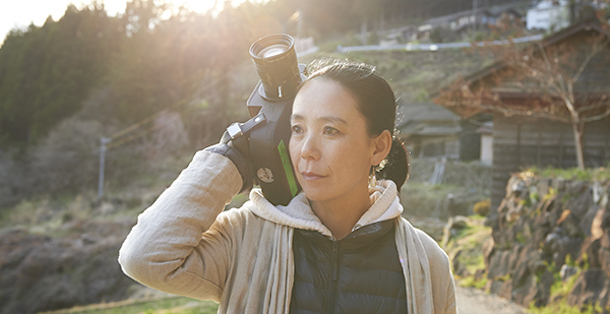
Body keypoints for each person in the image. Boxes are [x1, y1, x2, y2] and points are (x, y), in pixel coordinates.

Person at [119, 60, 457, 313]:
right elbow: (145, 258)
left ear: (378, 147)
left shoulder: (426, 263)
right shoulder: (247, 238)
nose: (307, 150)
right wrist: (231, 158)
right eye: (297, 129)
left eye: (330, 131)